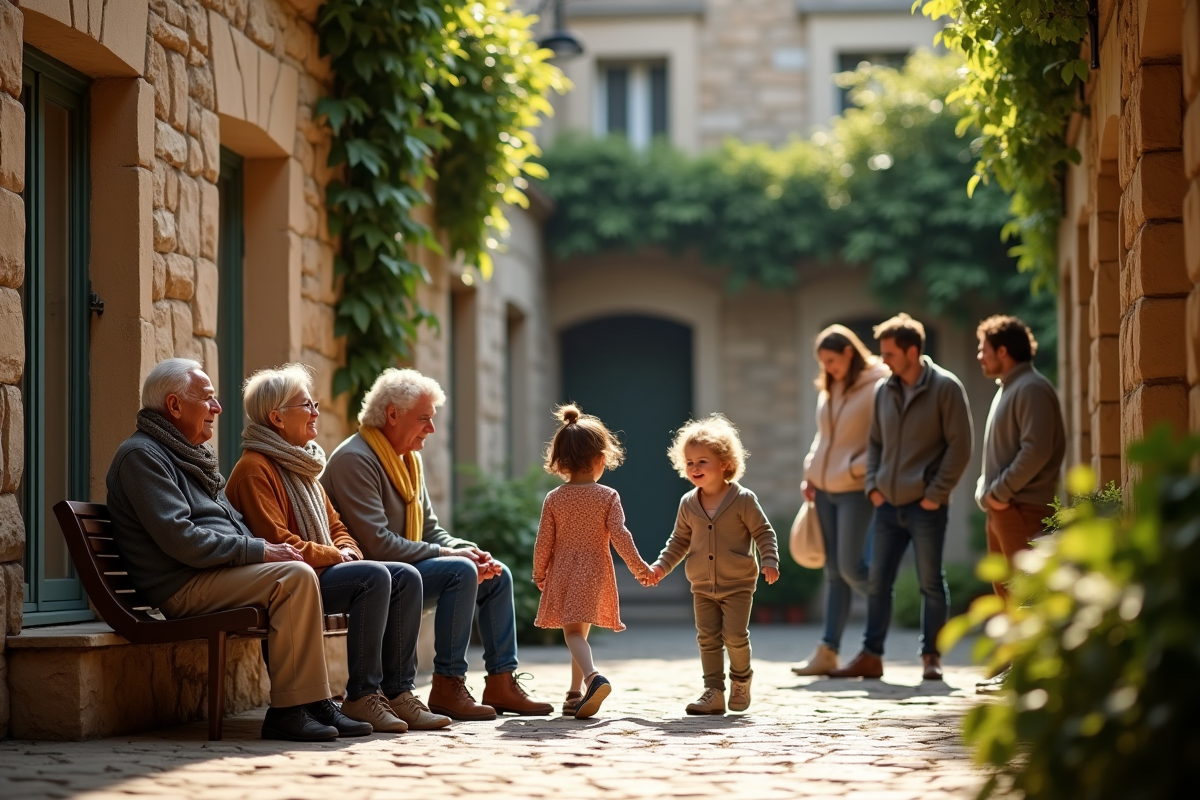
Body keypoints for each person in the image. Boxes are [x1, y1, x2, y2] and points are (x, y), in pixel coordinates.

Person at [105, 358, 362, 742]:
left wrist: (263, 550)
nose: (218, 408)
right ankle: (290, 710)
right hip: (183, 583)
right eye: (207, 399)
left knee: (294, 572)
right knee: (292, 576)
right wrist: (260, 550)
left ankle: (312, 701)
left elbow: (228, 525)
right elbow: (181, 539)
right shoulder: (142, 456)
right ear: (174, 406)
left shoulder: (186, 454)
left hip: (212, 573)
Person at [225, 364, 451, 733]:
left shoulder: (304, 466)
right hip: (293, 582)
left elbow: (337, 526)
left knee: (406, 576)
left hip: (320, 573)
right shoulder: (255, 469)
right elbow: (280, 543)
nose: (316, 412)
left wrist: (346, 548)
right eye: (307, 406)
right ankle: (362, 695)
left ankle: (397, 693)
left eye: (314, 404)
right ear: (277, 417)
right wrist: (337, 554)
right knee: (374, 576)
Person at [322, 368, 553, 719]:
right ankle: (447, 685)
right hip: (378, 577)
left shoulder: (408, 460)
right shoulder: (356, 459)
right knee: (460, 571)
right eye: (424, 419)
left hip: (407, 569)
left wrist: (467, 549)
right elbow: (377, 544)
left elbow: (429, 530)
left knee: (494, 573)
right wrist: (451, 554)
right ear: (393, 415)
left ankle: (501, 682)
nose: (431, 429)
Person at [830, 313, 973, 682]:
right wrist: (873, 487)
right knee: (878, 581)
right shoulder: (884, 390)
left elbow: (960, 447)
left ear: (912, 351)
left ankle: (931, 656)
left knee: (930, 582)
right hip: (887, 505)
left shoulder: (946, 387)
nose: (884, 360)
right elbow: (874, 442)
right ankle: (871, 656)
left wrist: (935, 494)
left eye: (890, 353)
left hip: (927, 506)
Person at [649, 414, 780, 715]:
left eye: (702, 461)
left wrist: (769, 560)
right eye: (690, 462)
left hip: (738, 584)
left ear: (724, 463)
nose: (694, 468)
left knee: (734, 636)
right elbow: (678, 542)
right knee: (707, 638)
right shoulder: (687, 503)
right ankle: (714, 691)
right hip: (702, 585)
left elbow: (763, 532)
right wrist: (659, 567)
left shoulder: (744, 499)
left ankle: (741, 678)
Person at [533, 404, 654, 719]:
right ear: (601, 458)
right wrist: (640, 568)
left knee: (572, 633)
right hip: (595, 570)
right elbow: (621, 535)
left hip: (563, 572)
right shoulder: (608, 496)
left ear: (560, 462)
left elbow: (543, 540)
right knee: (579, 633)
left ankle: (592, 678)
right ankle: (575, 693)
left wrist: (538, 572)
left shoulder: (554, 498)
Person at [973, 315, 1064, 691]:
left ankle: (1028, 672)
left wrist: (999, 493)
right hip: (1005, 509)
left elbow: (1036, 449)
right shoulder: (1010, 386)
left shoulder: (1031, 388)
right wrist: (988, 493)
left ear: (1003, 351)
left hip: (1022, 509)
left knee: (1024, 592)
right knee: (1007, 591)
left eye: (984, 348)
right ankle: (1016, 664)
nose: (980, 356)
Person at [793, 325, 890, 676]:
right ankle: (827, 651)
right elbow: (824, 437)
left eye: (831, 360)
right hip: (824, 489)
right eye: (822, 362)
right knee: (834, 571)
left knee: (850, 567)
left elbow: (885, 440)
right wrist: (810, 471)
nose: (827, 368)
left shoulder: (880, 384)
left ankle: (884, 602)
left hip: (854, 489)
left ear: (849, 352)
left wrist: (854, 467)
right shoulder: (830, 387)